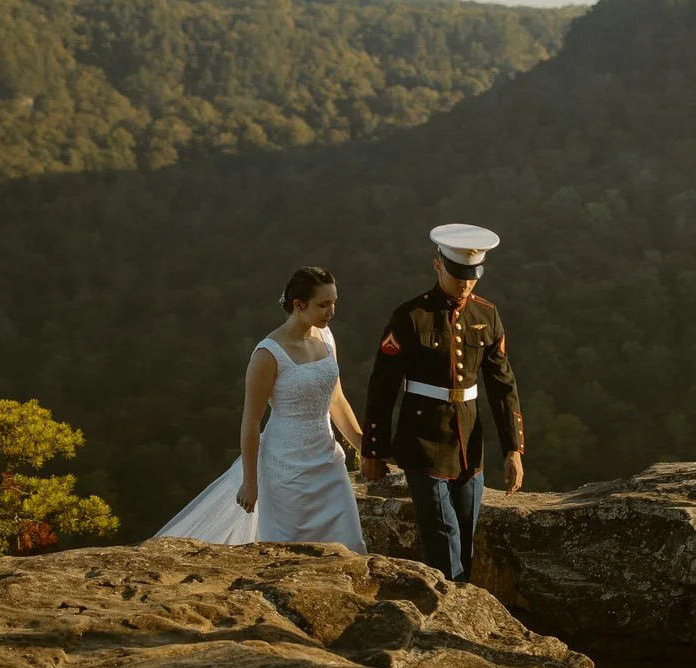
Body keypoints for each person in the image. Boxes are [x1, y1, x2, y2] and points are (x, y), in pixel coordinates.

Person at [153, 266, 367, 550]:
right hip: (285, 469)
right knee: (289, 551)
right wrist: (250, 482)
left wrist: (365, 448)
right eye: (323, 304)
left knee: (350, 542)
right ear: (298, 305)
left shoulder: (326, 339)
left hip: (328, 464)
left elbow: (336, 400)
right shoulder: (268, 354)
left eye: (334, 303)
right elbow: (251, 421)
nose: (331, 311)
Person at [360, 223, 523, 582]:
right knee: (442, 535)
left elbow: (502, 385)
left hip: (469, 441)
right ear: (438, 265)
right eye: (457, 274)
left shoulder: (487, 315)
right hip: (423, 440)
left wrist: (513, 449)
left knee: (465, 532)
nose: (465, 284)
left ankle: (457, 599)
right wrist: (373, 450)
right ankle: (451, 605)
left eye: (472, 276)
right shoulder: (411, 316)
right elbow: (383, 386)